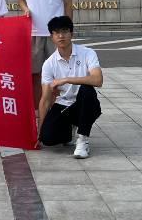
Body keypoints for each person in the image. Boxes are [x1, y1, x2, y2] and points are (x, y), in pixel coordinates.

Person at [15, 0, 78, 107]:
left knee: (59, 75)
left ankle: (57, 110)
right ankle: (37, 112)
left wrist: (69, 30)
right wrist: (25, 9)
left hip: (56, 34)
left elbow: (68, 3)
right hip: (33, 32)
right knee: (34, 74)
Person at [38, 15, 102, 159]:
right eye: (56, 32)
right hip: (65, 105)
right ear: (51, 37)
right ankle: (69, 131)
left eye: (65, 31)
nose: (61, 36)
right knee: (48, 139)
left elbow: (98, 80)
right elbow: (45, 99)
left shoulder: (87, 53)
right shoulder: (49, 64)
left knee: (86, 89)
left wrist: (66, 79)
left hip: (86, 103)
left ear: (71, 34)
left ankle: (83, 140)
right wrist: (39, 131)